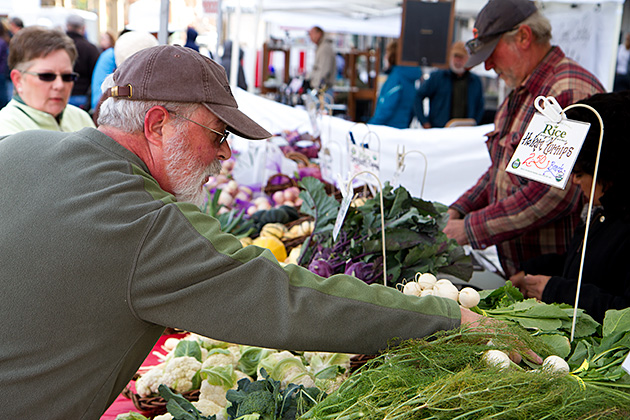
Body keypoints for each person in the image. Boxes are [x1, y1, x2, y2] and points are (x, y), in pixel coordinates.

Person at [0, 45, 502, 418]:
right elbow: (285, 298)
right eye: (217, 135)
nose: (224, 154)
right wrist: (446, 317)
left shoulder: (15, 151)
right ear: (157, 125)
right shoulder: (147, 221)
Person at [443, 0, 605, 277]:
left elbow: (552, 193)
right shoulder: (523, 90)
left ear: (523, 37)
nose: (490, 64)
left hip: (556, 276)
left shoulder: (567, 91)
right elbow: (501, 170)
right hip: (523, 271)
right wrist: (460, 208)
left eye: (493, 52)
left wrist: (472, 227)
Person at [510, 91, 630, 322]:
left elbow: (623, 311)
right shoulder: (600, 211)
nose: (574, 181)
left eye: (580, 172)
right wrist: (534, 272)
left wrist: (555, 291)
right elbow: (585, 264)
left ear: (609, 171)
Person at [0, 26, 95, 134]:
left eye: (67, 77)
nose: (59, 85)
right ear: (18, 79)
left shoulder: (81, 118)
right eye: (46, 76)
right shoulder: (6, 129)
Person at [413, 41, 485, 129]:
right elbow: (418, 96)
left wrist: (475, 122)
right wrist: (424, 122)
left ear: (467, 59)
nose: (458, 61)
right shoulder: (438, 77)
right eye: (456, 57)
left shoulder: (475, 81)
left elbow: (480, 106)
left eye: (461, 57)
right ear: (450, 57)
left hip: (466, 132)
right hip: (440, 131)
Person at [368, 39, 420, 129]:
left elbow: (386, 108)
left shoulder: (396, 77)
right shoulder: (409, 77)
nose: (385, 57)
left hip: (388, 129)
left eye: (387, 54)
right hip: (402, 127)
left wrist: (370, 126)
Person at [66, 14, 99, 110]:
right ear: (83, 28)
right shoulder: (90, 48)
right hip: (83, 96)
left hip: (63, 94)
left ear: (67, 26)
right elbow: (95, 73)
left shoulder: (58, 47)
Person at [307, 26, 336, 95]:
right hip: (322, 88)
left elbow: (324, 70)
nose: (310, 37)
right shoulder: (321, 46)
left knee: (323, 105)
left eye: (311, 34)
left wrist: (316, 85)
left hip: (323, 89)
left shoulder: (324, 48)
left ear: (319, 34)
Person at [0, 20, 9, 109]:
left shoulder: (1, 42)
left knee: (2, 96)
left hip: (1, 72)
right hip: (2, 71)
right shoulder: (3, 40)